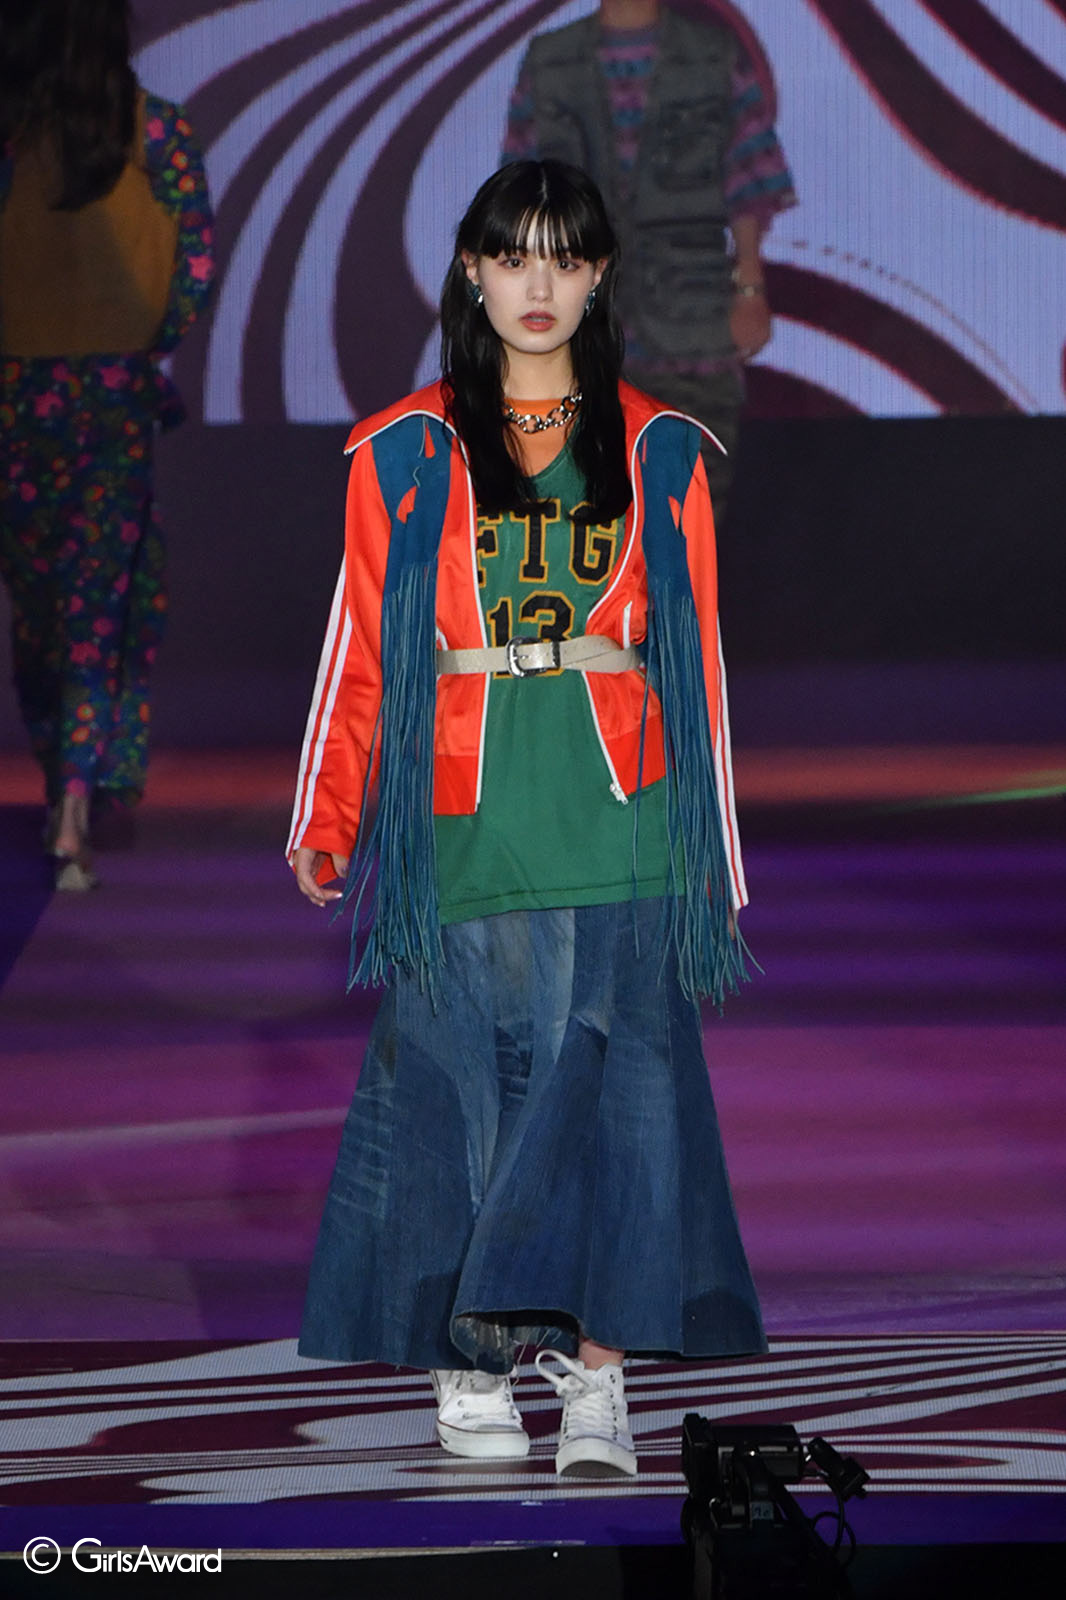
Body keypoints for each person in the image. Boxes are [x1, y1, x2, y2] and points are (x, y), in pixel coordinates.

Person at [288, 159, 764, 1478]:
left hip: (616, 807)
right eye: (512, 257)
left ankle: (600, 1380)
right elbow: (360, 650)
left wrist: (713, 855)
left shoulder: (660, 447)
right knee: (466, 1092)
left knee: (623, 1099)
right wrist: (330, 813)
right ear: (472, 272)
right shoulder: (403, 449)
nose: (537, 284)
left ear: (598, 274)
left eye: (563, 257)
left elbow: (697, 665)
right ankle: (474, 1358)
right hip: (469, 808)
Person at [0, 0, 214, 888]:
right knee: (100, 602)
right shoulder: (155, 131)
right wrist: (139, 349)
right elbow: (192, 270)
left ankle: (68, 781)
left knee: (42, 607)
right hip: (113, 395)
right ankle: (78, 798)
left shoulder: (14, 136)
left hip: (17, 395)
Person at [502, 0, 796, 511]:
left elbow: (749, 180)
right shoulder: (550, 60)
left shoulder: (712, 55)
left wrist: (750, 289)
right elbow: (519, 198)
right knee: (581, 505)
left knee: (693, 501)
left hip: (692, 317)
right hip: (579, 326)